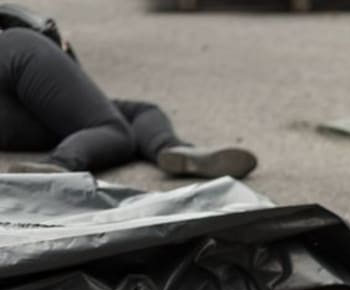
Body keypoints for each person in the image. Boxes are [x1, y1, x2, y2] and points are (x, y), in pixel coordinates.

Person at [0, 5, 256, 178]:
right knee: (113, 128)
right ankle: (58, 166)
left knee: (136, 112)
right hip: (16, 55)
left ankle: (169, 149)